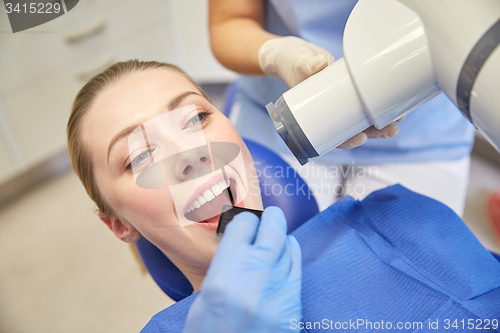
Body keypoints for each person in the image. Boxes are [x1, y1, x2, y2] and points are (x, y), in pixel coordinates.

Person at [67, 60, 499, 333]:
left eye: (196, 117)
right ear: (119, 223)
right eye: (139, 155)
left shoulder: (395, 218)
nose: (191, 155)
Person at [208, 0, 475, 215]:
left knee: (404, 272)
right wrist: (277, 55)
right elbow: (229, 20)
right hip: (285, 113)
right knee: (246, 246)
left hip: (424, 131)